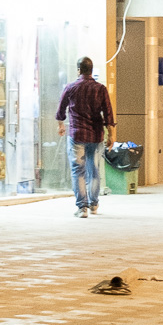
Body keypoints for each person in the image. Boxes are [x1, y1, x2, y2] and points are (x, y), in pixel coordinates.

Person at [56, 56, 115, 218]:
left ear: (78, 70)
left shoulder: (71, 87)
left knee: (78, 171)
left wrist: (61, 124)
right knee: (94, 170)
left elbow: (61, 109)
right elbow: (108, 113)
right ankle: (94, 204)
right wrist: (111, 134)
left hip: (77, 135)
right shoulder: (100, 89)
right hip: (96, 136)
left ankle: (82, 208)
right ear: (91, 70)